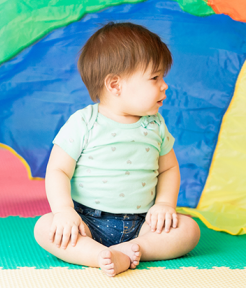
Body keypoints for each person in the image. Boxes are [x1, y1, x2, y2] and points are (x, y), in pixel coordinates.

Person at [33, 22, 200, 277]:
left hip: (143, 223)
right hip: (87, 221)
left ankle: (135, 248)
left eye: (162, 77)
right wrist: (64, 212)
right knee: (45, 227)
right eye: (155, 77)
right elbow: (57, 170)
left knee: (189, 230)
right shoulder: (84, 122)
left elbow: (169, 168)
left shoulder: (156, 125)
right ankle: (98, 255)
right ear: (115, 85)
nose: (164, 85)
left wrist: (164, 204)